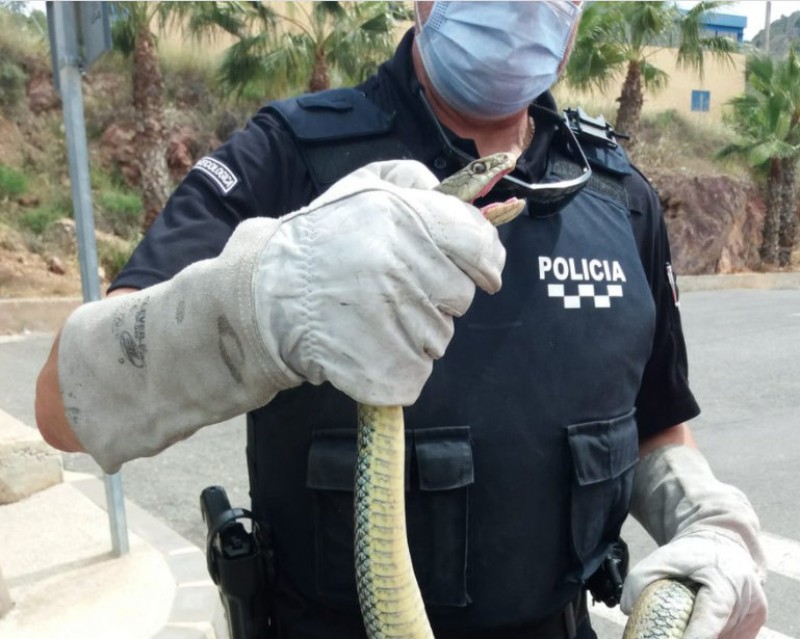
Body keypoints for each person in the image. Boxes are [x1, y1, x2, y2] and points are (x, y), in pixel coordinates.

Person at [35, 2, 767, 638]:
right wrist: (258, 299)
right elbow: (66, 407)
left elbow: (655, 426)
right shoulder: (290, 154)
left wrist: (708, 522)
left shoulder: (615, 192)